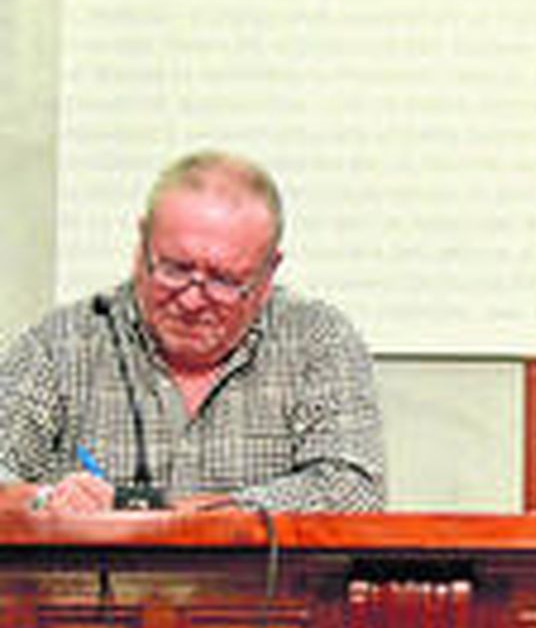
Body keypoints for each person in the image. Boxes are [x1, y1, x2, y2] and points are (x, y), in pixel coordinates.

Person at [0, 150, 385, 513]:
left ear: (269, 271)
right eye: (174, 269)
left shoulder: (318, 341)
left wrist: (174, 515)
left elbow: (353, 492)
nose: (191, 301)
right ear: (141, 244)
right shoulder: (61, 343)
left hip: (264, 585)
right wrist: (46, 500)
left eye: (223, 280)